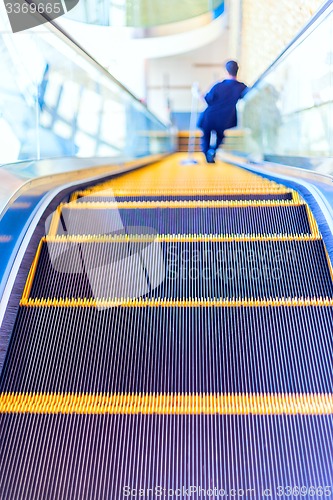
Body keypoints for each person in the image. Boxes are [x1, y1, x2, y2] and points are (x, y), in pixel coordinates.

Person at [198, 60, 248, 163]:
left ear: (226, 71)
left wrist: (198, 94)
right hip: (224, 119)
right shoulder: (241, 87)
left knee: (206, 135)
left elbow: (207, 100)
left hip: (210, 116)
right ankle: (213, 151)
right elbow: (247, 96)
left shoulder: (219, 85)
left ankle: (208, 155)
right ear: (237, 70)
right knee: (220, 135)